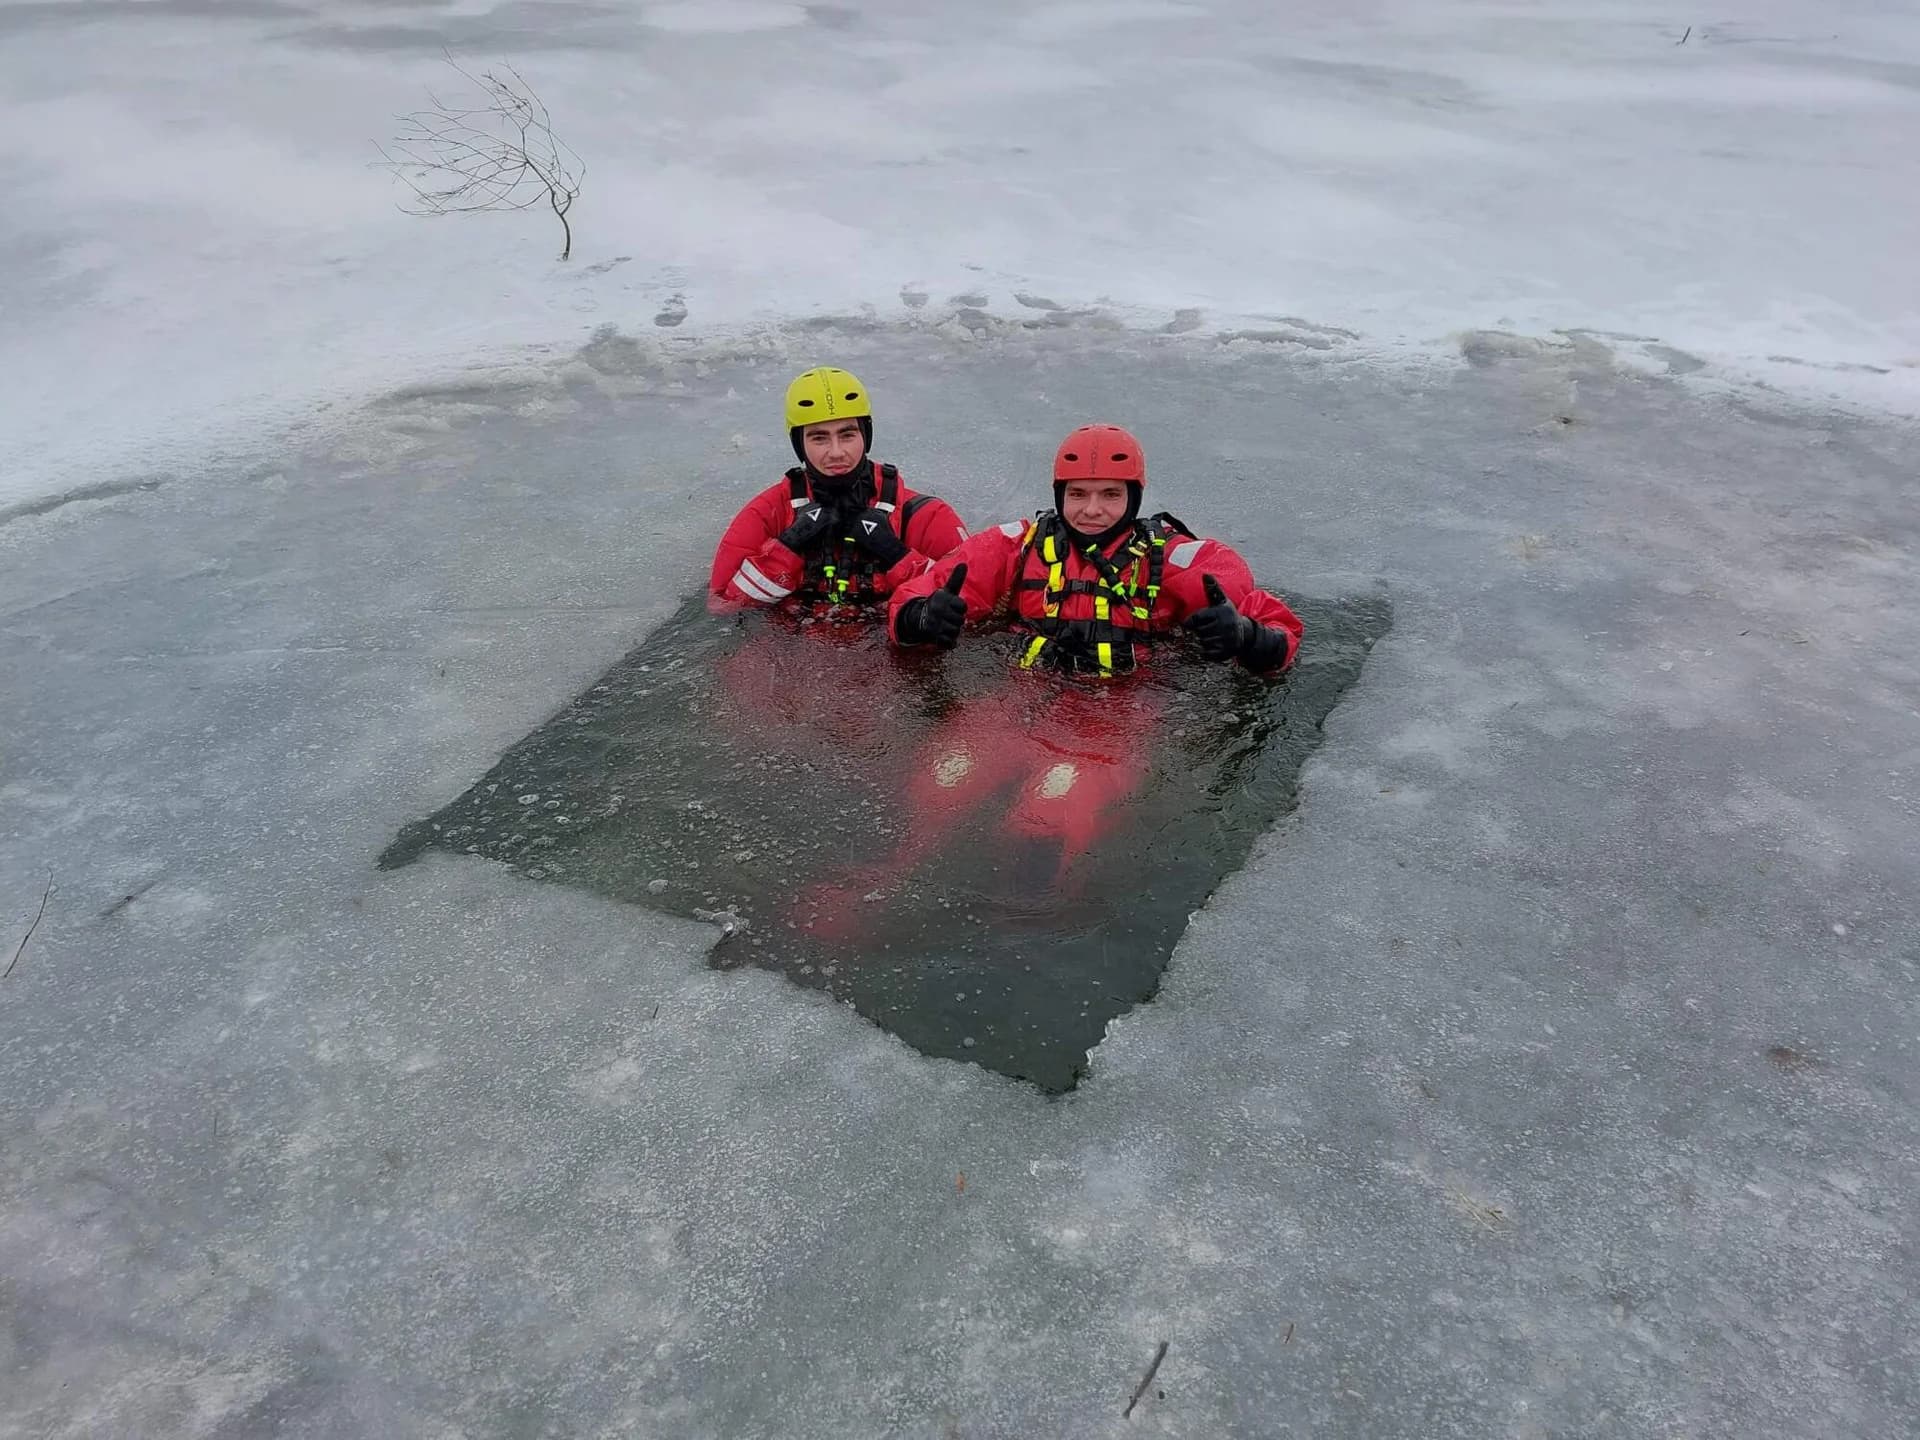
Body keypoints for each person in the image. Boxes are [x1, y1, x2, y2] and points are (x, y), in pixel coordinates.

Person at [888, 423, 1301, 674]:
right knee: (944, 780)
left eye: (1110, 495)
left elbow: (1278, 625)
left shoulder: (1171, 559)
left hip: (1116, 713)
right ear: (1059, 495)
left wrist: (1248, 636)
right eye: (1078, 494)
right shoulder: (1018, 546)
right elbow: (921, 589)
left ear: (1134, 499)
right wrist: (919, 617)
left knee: (1055, 797)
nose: (1091, 510)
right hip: (1022, 696)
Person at [710, 366, 968, 612]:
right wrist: (789, 544)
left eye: (847, 435)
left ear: (865, 435)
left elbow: (970, 599)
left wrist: (896, 554)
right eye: (819, 437)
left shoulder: (926, 517)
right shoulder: (768, 513)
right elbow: (723, 606)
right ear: (799, 445)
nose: (836, 452)